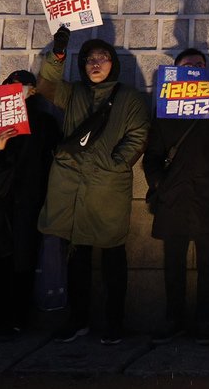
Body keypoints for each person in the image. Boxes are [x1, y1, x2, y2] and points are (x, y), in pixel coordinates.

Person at [36, 26, 150, 345]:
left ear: (113, 63)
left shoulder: (130, 98)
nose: (95, 64)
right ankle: (78, 320)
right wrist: (58, 52)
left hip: (106, 188)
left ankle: (115, 322)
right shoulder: (73, 94)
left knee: (113, 256)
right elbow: (46, 85)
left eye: (102, 58)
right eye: (89, 60)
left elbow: (139, 134)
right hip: (71, 187)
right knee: (77, 257)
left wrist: (116, 163)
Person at [143, 47, 209, 344]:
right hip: (172, 198)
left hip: (207, 196)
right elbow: (151, 156)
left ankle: (204, 321)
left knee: (208, 264)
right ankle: (173, 319)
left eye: (200, 65)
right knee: (173, 264)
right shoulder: (163, 110)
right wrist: (160, 182)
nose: (194, 69)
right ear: (175, 74)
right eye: (187, 65)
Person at [0, 69, 62, 335]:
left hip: (30, 200)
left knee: (23, 262)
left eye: (24, 86)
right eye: (12, 85)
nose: (18, 90)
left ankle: (17, 320)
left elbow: (50, 162)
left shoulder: (44, 121)